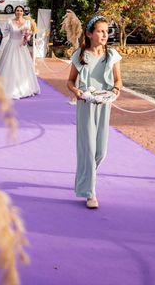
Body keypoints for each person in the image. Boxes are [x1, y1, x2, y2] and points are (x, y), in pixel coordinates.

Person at [66, 15, 122, 209]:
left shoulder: (112, 55)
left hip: (105, 104)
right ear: (90, 34)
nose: (105, 34)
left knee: (101, 151)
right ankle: (91, 192)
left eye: (107, 31)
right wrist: (77, 92)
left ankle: (85, 178)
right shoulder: (80, 55)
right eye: (100, 31)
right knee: (88, 150)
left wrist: (116, 90)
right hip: (86, 105)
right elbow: (70, 82)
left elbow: (118, 81)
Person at [0, 5, 41, 99]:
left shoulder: (27, 22)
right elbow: (5, 33)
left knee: (23, 67)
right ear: (15, 12)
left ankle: (24, 88)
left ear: (23, 12)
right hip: (11, 46)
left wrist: (27, 37)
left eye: (21, 11)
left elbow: (29, 36)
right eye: (17, 10)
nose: (19, 12)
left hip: (22, 48)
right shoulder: (9, 21)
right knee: (9, 66)